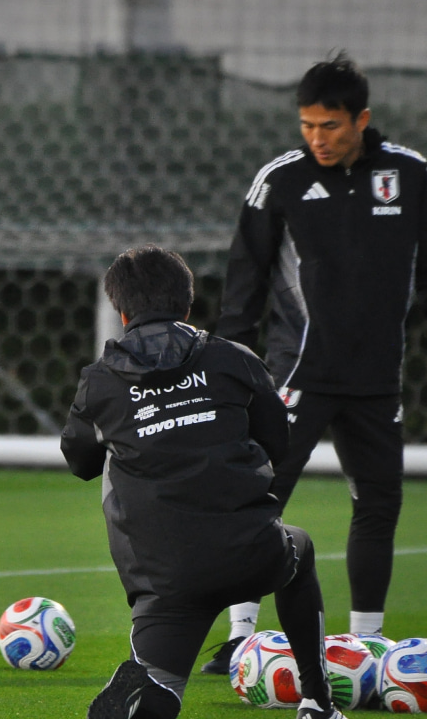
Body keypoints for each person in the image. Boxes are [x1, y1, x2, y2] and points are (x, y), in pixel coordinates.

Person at [204, 52, 427, 673]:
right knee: (261, 500)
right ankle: (241, 637)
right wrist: (231, 363)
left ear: (362, 119)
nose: (316, 138)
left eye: (329, 125)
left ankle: (368, 646)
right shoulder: (280, 180)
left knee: (379, 504)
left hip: (376, 380)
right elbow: (245, 278)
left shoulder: (412, 177)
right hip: (295, 376)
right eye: (307, 125)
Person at [61, 245, 344, 719]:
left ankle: (146, 690)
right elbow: (279, 442)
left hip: (167, 579)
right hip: (250, 551)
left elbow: (80, 462)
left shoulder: (100, 381)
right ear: (187, 306)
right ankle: (317, 703)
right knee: (300, 549)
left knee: (162, 687)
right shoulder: (235, 359)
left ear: (122, 312)